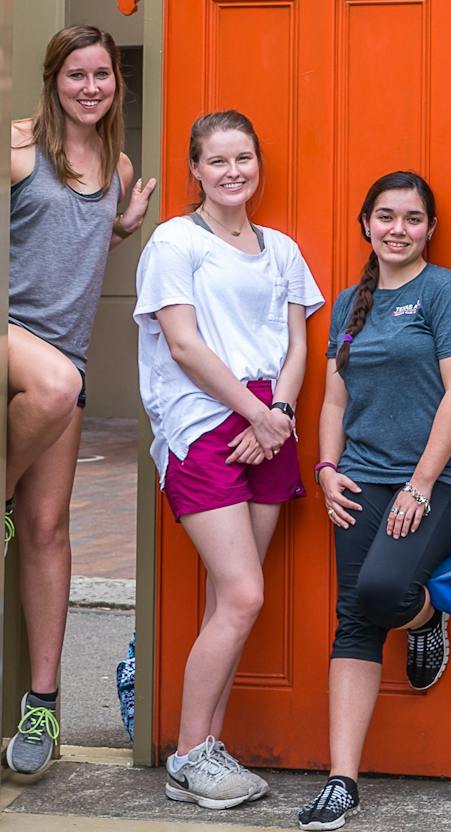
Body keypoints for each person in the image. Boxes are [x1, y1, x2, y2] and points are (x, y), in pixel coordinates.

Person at [134, 110, 322, 810]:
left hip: (271, 427)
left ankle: (206, 748)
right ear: (195, 170)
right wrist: (256, 414)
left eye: (244, 157)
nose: (234, 171)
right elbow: (182, 344)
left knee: (228, 601)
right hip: (208, 425)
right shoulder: (174, 241)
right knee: (244, 596)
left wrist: (280, 420)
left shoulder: (280, 249)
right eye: (218, 161)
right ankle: (188, 756)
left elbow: (298, 346)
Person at [295, 172, 451, 831]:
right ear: (366, 224)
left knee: (382, 591)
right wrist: (326, 469)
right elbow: (334, 399)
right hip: (360, 476)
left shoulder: (448, 293)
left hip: (442, 476)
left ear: (430, 230)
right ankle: (341, 781)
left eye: (413, 218)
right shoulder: (353, 302)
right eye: (386, 216)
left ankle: (428, 615)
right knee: (354, 617)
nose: (398, 229)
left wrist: (421, 484)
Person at [5, 25, 155, 774]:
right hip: (8, 334)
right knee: (60, 386)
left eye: (102, 75)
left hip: (61, 353)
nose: (91, 87)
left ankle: (41, 703)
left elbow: (66, 238)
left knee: (47, 530)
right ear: (52, 79)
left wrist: (119, 230)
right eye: (76, 75)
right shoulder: (19, 146)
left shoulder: (118, 166)